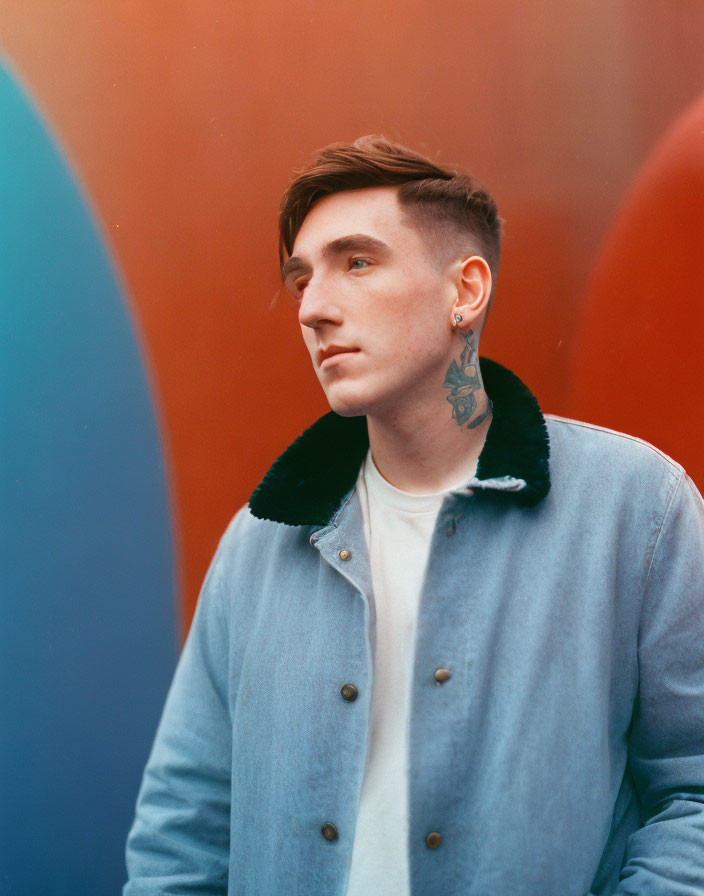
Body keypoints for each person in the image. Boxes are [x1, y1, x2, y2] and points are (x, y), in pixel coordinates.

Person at [123, 136, 704, 895]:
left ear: (465, 291)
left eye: (356, 263)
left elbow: (692, 790)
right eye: (302, 278)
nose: (314, 308)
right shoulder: (259, 545)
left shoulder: (636, 511)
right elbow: (183, 828)